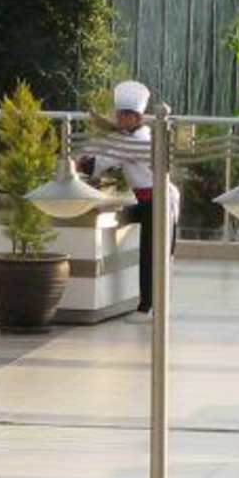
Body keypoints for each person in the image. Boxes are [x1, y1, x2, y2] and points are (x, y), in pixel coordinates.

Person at [76, 79, 180, 314]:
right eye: (119, 115)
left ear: (136, 118)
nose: (120, 119)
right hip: (148, 201)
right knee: (149, 249)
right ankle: (150, 305)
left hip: (158, 202)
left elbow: (98, 163)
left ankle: (147, 307)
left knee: (151, 256)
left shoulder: (135, 142)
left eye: (125, 116)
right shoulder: (138, 135)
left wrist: (76, 163)